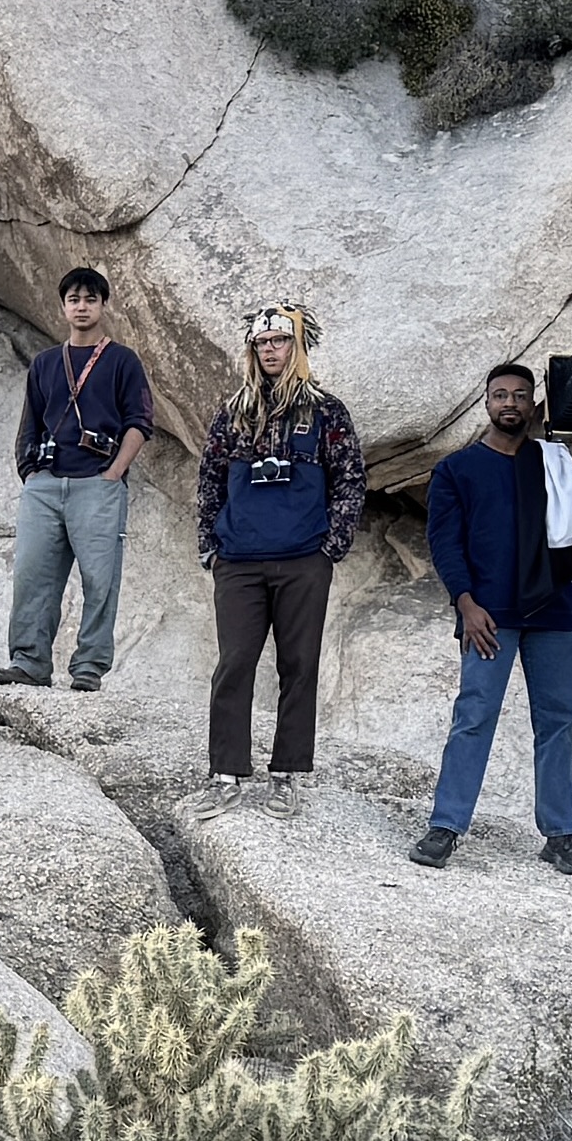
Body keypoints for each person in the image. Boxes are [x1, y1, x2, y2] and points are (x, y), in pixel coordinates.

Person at [413, 362, 572, 877]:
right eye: (499, 395)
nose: (509, 403)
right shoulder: (457, 470)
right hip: (488, 614)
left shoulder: (557, 465)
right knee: (474, 716)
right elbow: (445, 544)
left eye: (519, 395)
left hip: (556, 609)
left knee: (557, 724)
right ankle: (445, 827)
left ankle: (561, 834)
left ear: (533, 404)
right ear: (486, 404)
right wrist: (465, 604)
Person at [193, 304, 364, 815]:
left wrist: (332, 545)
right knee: (235, 663)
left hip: (303, 560)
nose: (270, 350)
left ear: (298, 346)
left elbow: (350, 480)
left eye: (280, 341)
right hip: (240, 561)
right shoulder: (233, 412)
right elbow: (209, 478)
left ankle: (287, 773)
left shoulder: (327, 411)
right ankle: (225, 774)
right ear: (252, 349)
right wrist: (210, 543)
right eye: (262, 342)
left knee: (300, 665)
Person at [0, 267, 154, 690]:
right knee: (32, 574)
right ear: (63, 306)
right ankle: (29, 661)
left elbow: (140, 421)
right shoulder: (46, 362)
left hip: (97, 483)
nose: (81, 307)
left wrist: (115, 472)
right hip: (46, 483)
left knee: (100, 578)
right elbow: (29, 422)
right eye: (74, 300)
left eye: (90, 299)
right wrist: (29, 472)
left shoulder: (122, 360)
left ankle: (89, 665)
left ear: (103, 305)